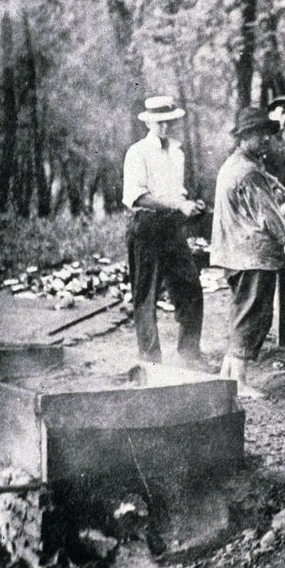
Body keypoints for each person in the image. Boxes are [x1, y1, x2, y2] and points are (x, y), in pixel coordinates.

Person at [209, 106, 285, 392]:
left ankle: (227, 378)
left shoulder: (236, 164)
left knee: (242, 315)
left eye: (268, 134)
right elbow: (271, 219)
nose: (266, 139)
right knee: (253, 319)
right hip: (252, 255)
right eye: (259, 135)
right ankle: (239, 383)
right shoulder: (248, 172)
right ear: (243, 137)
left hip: (235, 254)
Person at [123, 95, 206, 367]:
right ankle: (149, 359)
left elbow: (177, 192)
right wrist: (176, 203)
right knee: (146, 294)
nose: (165, 127)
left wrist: (190, 204)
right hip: (146, 226)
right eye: (159, 122)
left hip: (172, 228)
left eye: (169, 122)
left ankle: (189, 353)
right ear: (149, 122)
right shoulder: (137, 152)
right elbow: (138, 197)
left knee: (190, 287)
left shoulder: (177, 152)